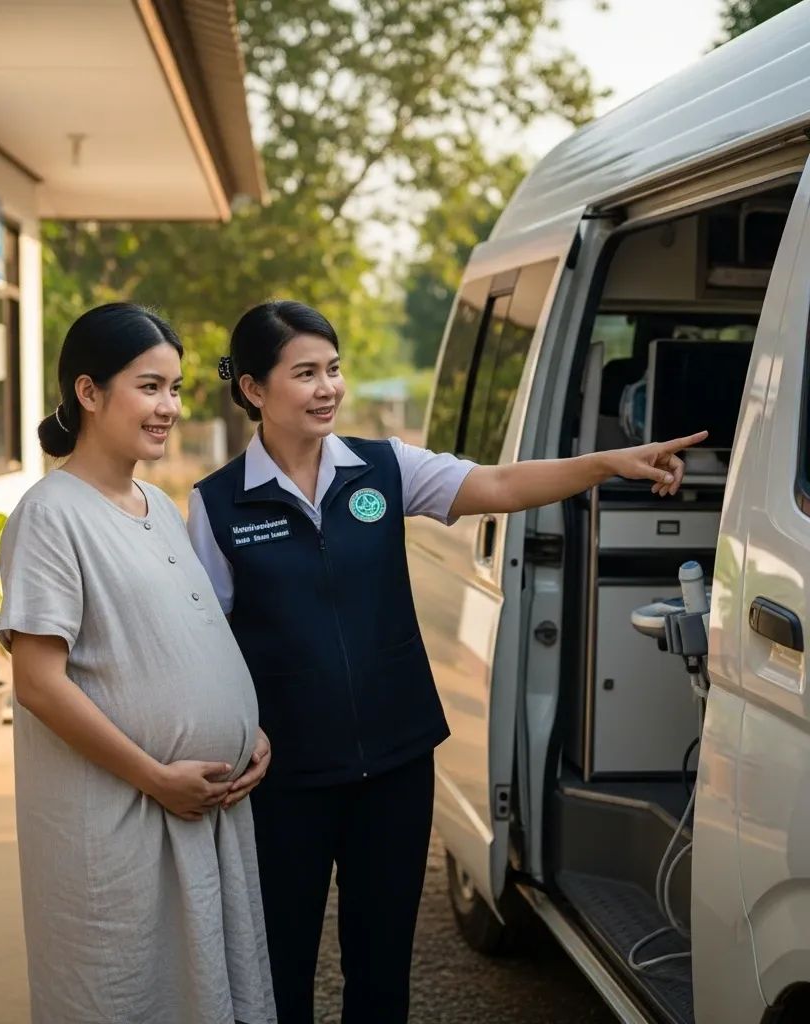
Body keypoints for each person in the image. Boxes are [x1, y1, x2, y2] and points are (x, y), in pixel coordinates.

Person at [187, 300, 706, 1024]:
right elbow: (204, 641)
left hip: (395, 767)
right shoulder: (217, 506)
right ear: (252, 389)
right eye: (304, 373)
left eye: (333, 369)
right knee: (281, 968)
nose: (327, 388)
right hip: (287, 779)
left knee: (381, 970)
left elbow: (497, 485)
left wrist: (606, 463)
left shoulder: (383, 467)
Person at [0, 303, 276, 1024]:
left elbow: (188, 636)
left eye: (176, 389)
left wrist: (247, 732)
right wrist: (155, 776)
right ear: (88, 393)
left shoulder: (156, 501)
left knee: (200, 990)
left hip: (200, 811)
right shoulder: (50, 514)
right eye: (150, 387)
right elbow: (37, 683)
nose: (169, 408)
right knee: (127, 992)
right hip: (121, 818)